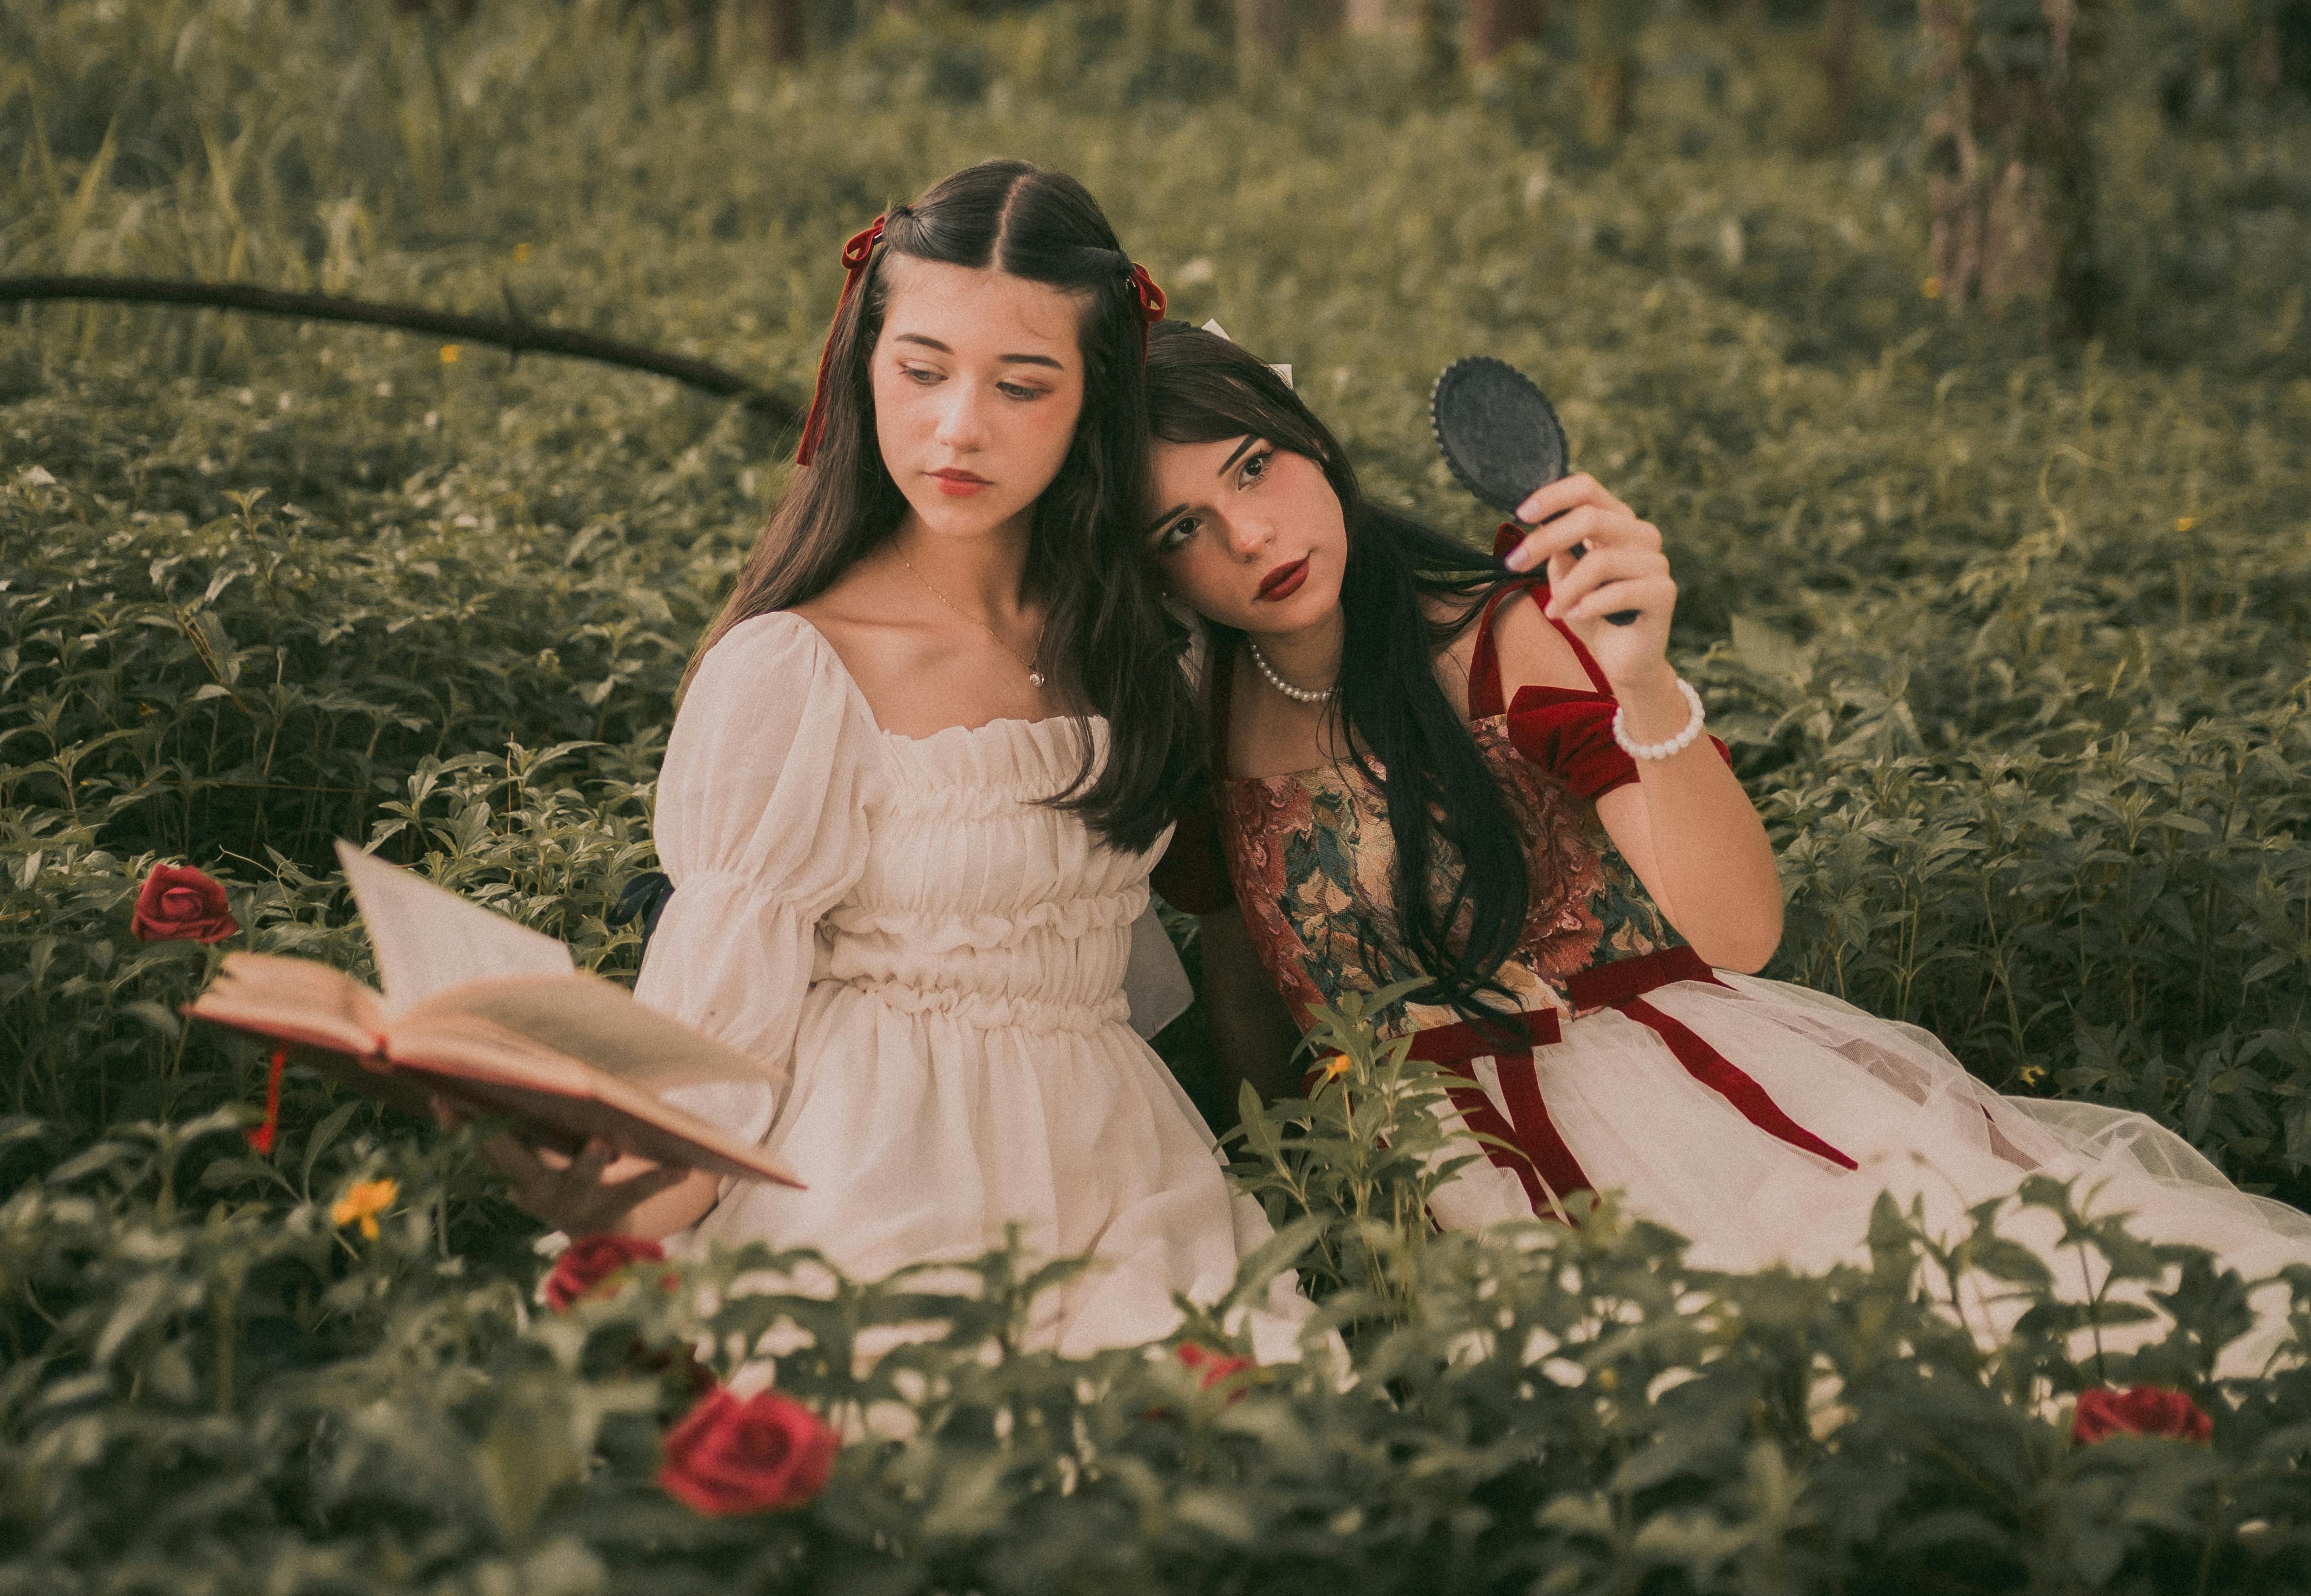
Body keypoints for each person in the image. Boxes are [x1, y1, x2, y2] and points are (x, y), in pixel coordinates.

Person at [1142, 322, 2311, 1324]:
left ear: (1311, 443)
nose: (1247, 535)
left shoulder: (1497, 640)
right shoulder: (1207, 718)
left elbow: (1735, 931)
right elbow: (1254, 1004)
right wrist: (1299, 1207)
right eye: (1180, 528)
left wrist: (1642, 680)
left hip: (1650, 1115)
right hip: (1409, 1180)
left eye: (1253, 467)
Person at [484, 167, 1299, 1358]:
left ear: (1094, 403)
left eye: (1022, 386)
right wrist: (615, 1209)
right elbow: (717, 1031)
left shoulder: (1132, 643)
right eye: (920, 371)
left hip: (1121, 1157)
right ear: (866, 367)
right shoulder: (797, 668)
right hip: (881, 1160)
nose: (957, 427)